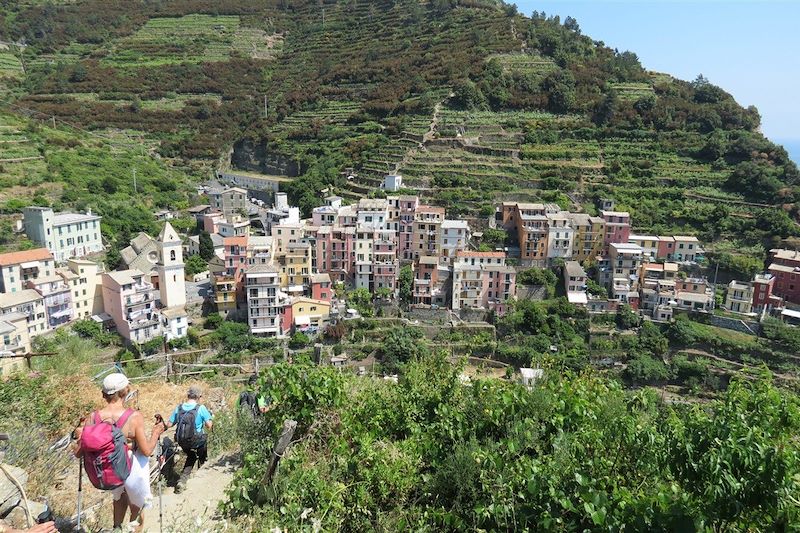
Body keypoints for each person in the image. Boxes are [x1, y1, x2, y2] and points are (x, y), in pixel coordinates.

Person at [74, 373, 164, 533]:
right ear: (125, 391)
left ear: (104, 394)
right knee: (137, 511)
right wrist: (157, 431)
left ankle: (116, 528)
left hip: (109, 469)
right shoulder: (134, 417)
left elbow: (78, 452)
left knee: (119, 498)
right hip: (131, 468)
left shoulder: (92, 418)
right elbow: (147, 450)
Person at [164, 387, 213, 494]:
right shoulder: (201, 408)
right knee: (202, 454)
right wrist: (210, 417)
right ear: (198, 397)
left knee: (191, 456)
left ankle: (182, 480)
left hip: (182, 441)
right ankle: (202, 476)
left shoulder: (179, 407)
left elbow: (169, 424)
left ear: (188, 396)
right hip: (197, 441)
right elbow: (209, 426)